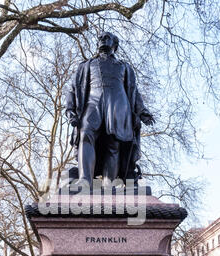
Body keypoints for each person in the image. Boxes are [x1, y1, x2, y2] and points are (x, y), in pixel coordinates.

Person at [66, 31, 155, 187]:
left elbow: (133, 90)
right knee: (86, 134)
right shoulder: (86, 65)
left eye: (106, 37)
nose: (102, 39)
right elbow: (73, 88)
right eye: (100, 37)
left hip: (118, 104)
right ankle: (84, 180)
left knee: (113, 142)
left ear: (115, 44)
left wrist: (142, 111)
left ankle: (109, 184)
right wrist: (70, 109)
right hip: (92, 102)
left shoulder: (124, 67)